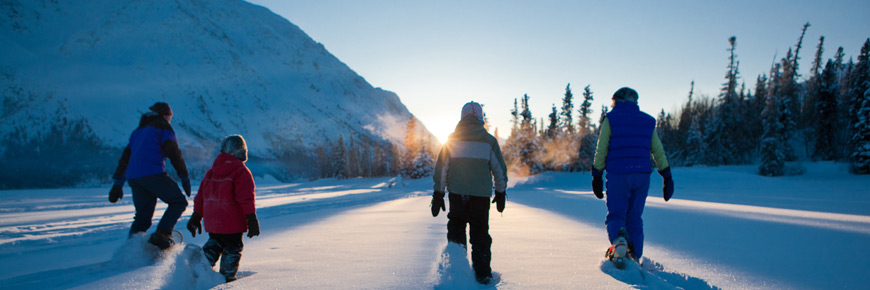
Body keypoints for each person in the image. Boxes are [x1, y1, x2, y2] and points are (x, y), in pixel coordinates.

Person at [592, 87, 674, 264]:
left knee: (616, 214)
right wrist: (666, 175)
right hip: (642, 175)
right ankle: (635, 254)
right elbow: (657, 150)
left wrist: (596, 174)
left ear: (617, 101)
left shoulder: (611, 119)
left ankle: (619, 242)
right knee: (634, 216)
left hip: (618, 174)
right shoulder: (648, 121)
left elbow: (601, 148)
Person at [431, 101, 508, 285]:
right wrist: (500, 192)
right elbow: (499, 170)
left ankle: (457, 271)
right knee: (480, 234)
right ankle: (482, 276)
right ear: (480, 118)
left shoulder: (451, 140)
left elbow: (442, 169)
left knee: (456, 229)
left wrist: (438, 194)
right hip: (480, 197)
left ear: (462, 118)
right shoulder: (489, 141)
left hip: (457, 194)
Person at [109, 102, 192, 249]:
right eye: (169, 117)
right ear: (164, 115)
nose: (169, 120)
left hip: (134, 178)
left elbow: (125, 159)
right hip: (153, 174)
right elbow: (174, 152)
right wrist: (184, 177)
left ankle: (131, 249)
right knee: (178, 202)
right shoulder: (163, 126)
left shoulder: (137, 132)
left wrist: (117, 184)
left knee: (143, 217)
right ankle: (162, 235)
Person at [187, 135, 260, 283]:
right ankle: (227, 279)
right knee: (233, 247)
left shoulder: (211, 172)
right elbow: (245, 198)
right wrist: (251, 218)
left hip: (213, 220)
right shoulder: (241, 172)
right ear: (241, 152)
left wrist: (196, 216)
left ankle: (201, 266)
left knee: (216, 242)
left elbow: (201, 196)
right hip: (232, 221)